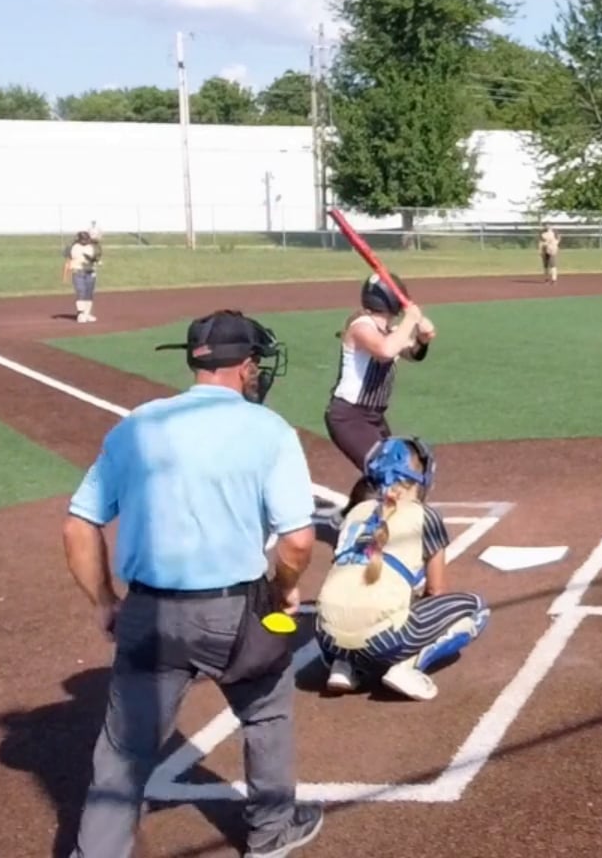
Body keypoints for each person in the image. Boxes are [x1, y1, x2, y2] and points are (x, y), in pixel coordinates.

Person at [61, 309, 324, 858]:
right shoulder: (269, 429)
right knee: (266, 711)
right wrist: (283, 588)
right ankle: (271, 831)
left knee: (124, 750)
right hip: (237, 613)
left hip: (148, 614)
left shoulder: (136, 425)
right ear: (246, 367)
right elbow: (298, 542)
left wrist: (105, 601)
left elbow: (78, 524)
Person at [316, 437, 490, 701]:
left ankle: (344, 666)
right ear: (420, 478)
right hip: (382, 643)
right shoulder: (426, 516)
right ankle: (407, 666)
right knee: (475, 608)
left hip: (327, 640)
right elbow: (436, 591)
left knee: (354, 594)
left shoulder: (355, 512)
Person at [324, 272, 434, 493]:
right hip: (349, 417)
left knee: (398, 469)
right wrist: (411, 319)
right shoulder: (361, 327)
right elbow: (385, 350)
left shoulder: (389, 332)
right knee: (388, 474)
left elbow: (414, 354)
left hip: (373, 417)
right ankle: (365, 511)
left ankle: (366, 507)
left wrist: (423, 338)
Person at [62, 229, 103, 323]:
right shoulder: (73, 247)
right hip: (78, 272)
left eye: (86, 239)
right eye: (83, 239)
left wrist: (97, 262)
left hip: (90, 272)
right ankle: (80, 314)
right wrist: (65, 275)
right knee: (81, 292)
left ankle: (87, 314)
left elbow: (96, 257)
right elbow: (68, 262)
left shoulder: (92, 246)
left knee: (89, 293)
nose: (85, 241)